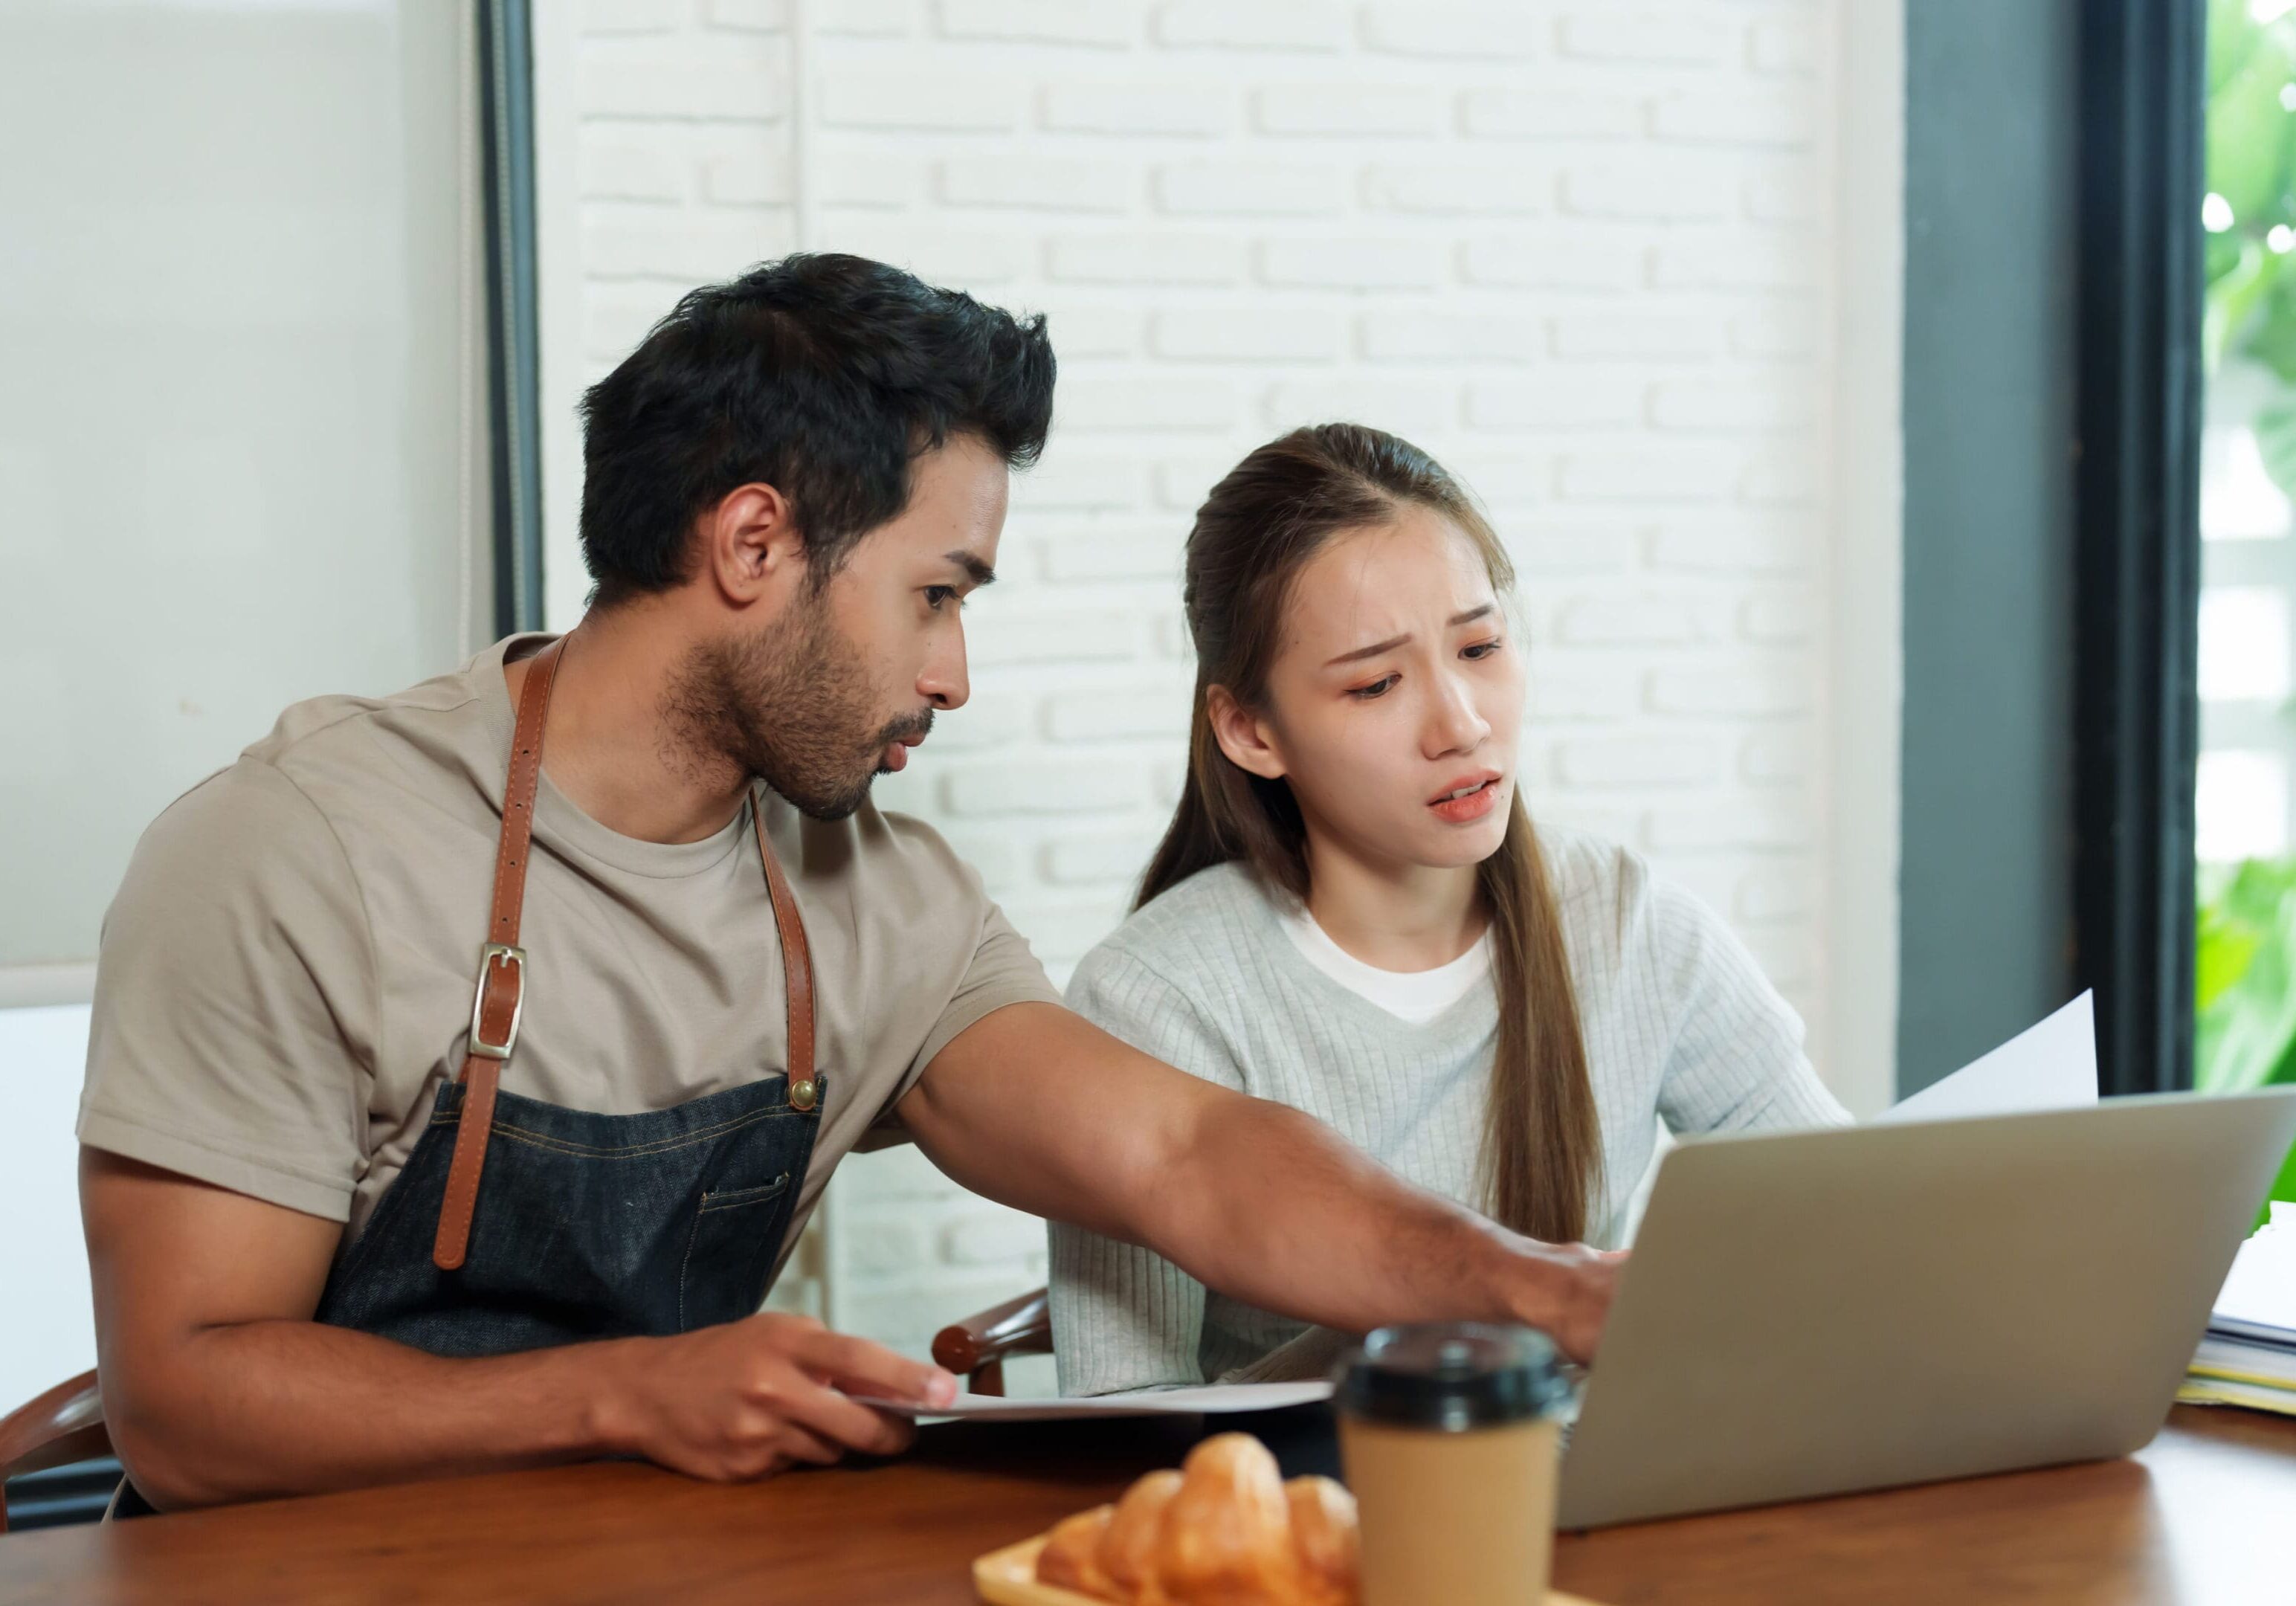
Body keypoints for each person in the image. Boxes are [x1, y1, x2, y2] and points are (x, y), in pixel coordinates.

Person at [73, 257, 1622, 1515]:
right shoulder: (295, 856)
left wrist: (1539, 1289)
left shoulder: (881, 903)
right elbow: (186, 1407)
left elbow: (1188, 1158)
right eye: (935, 595)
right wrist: (627, 1392)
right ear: (754, 543)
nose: (953, 673)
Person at [1049, 423, 1850, 1396]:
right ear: (1251, 729)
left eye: (1480, 645)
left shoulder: (1628, 923)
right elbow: (1128, 1414)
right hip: (1327, 1525)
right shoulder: (1155, 999)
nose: (1462, 723)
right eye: (1377, 682)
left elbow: (1844, 1231)